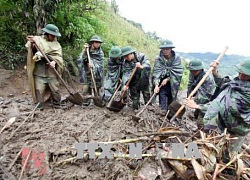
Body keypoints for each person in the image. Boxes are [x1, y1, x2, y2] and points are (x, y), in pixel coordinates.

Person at [184, 58, 250, 156]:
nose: (240, 75)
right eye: (239, 72)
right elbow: (225, 83)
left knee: (224, 158)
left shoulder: (246, 94)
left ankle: (182, 153)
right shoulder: (239, 82)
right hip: (223, 125)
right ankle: (178, 152)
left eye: (244, 74)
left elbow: (222, 105)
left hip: (235, 131)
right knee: (212, 149)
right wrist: (215, 72)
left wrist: (197, 106)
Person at [26, 24, 64, 110]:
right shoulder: (38, 40)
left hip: (52, 73)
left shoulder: (57, 45)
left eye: (55, 36)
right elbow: (31, 50)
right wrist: (32, 43)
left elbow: (59, 58)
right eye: (52, 35)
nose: (54, 37)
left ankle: (57, 105)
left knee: (56, 90)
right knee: (39, 90)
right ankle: (39, 106)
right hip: (39, 72)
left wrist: (54, 62)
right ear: (47, 33)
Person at [152, 39, 183, 115]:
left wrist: (168, 79)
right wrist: (156, 85)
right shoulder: (158, 59)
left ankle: (171, 115)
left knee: (171, 98)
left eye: (167, 49)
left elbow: (178, 72)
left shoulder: (176, 58)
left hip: (173, 83)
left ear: (171, 49)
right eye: (163, 49)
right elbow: (156, 72)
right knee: (162, 95)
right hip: (161, 83)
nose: (165, 51)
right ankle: (162, 112)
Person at [186, 59, 215, 128]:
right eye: (191, 70)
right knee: (196, 115)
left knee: (201, 119)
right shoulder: (192, 73)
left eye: (194, 71)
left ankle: (203, 133)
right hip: (199, 96)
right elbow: (190, 85)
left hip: (208, 101)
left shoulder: (207, 79)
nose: (192, 72)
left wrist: (194, 102)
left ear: (200, 69)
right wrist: (189, 97)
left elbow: (204, 97)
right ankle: (200, 130)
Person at [77, 35, 105, 105]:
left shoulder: (100, 53)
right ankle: (86, 102)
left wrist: (93, 66)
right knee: (86, 88)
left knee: (97, 89)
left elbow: (101, 65)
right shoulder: (87, 50)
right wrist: (85, 51)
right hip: (87, 73)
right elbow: (81, 59)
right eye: (96, 42)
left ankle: (97, 102)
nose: (98, 44)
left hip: (96, 74)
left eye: (99, 43)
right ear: (93, 43)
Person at [121, 46, 151, 110]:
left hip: (143, 79)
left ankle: (149, 110)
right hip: (133, 81)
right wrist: (125, 84)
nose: (126, 58)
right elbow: (126, 74)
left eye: (127, 56)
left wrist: (141, 66)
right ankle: (136, 109)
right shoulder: (125, 62)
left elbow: (148, 65)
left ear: (131, 53)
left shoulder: (141, 56)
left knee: (146, 96)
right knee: (135, 102)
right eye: (124, 56)